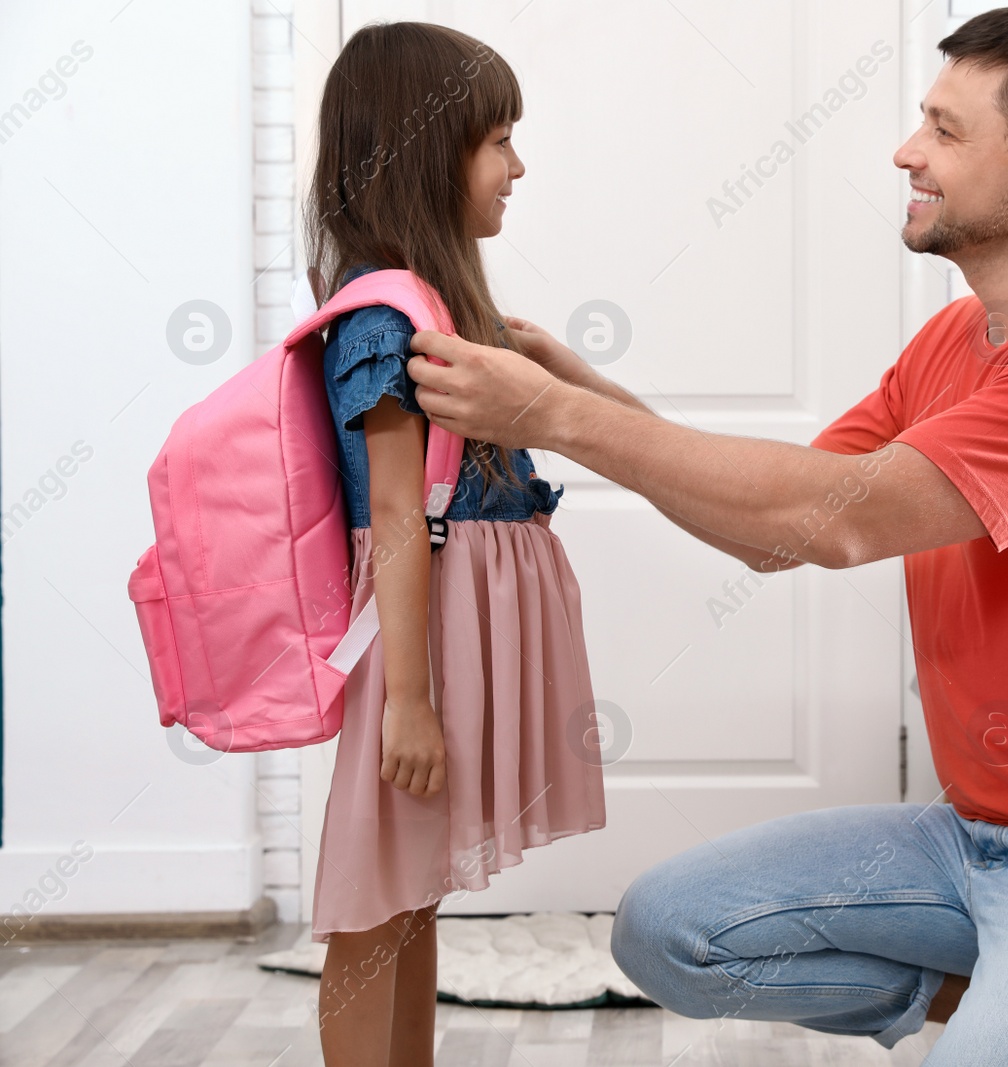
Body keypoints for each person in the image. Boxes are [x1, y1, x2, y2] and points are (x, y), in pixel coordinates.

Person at [407, 6, 1008, 1064]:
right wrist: (573, 390)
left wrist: (552, 416)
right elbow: (778, 520)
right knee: (668, 931)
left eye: (947, 131)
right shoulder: (956, 338)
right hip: (973, 837)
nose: (907, 151)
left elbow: (836, 521)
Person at [303, 23, 605, 1067]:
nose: (517, 167)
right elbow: (396, 516)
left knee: (411, 888)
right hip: (417, 638)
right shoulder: (386, 323)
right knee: (372, 893)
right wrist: (409, 700)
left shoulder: (441, 311)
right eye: (497, 141)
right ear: (427, 154)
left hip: (447, 624)